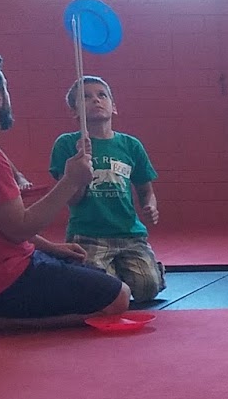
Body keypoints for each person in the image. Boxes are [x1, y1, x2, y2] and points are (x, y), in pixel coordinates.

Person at [0, 54, 132, 330]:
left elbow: (0, 223)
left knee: (94, 272)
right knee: (118, 298)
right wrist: (70, 181)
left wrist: (52, 249)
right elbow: (19, 228)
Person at [49, 77, 165, 305]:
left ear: (114, 106)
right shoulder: (66, 144)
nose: (96, 100)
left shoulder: (131, 145)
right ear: (75, 111)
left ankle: (139, 269)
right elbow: (73, 199)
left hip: (129, 234)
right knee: (104, 293)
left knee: (147, 289)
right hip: (88, 233)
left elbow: (145, 189)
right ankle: (90, 273)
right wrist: (80, 162)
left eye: (102, 95)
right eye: (86, 97)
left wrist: (150, 205)